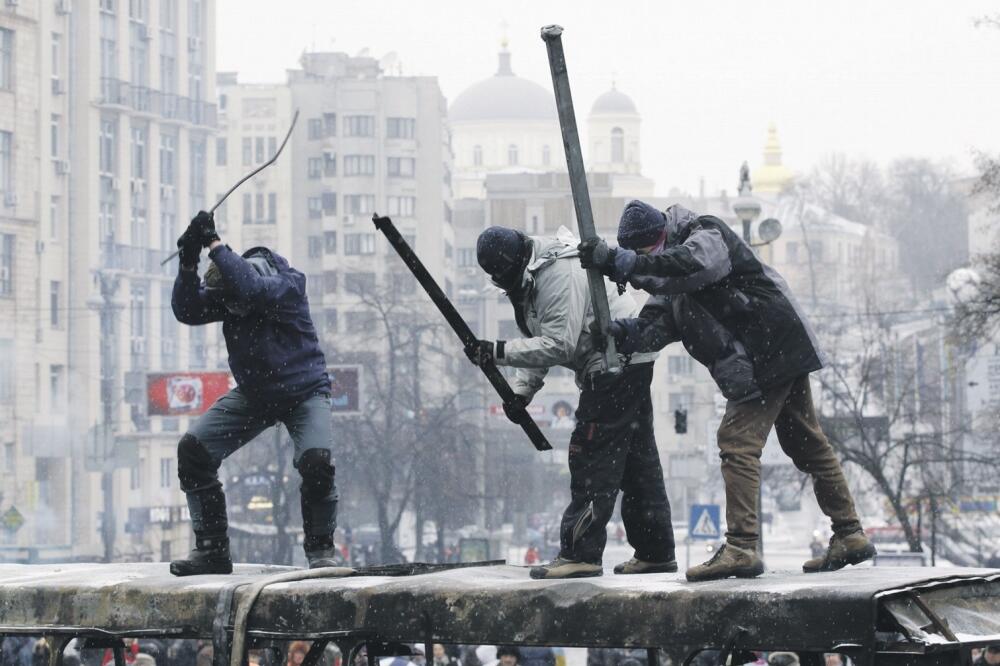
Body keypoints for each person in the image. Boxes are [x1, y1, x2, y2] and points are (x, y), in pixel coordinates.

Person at [579, 201, 875, 581]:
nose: (645, 261)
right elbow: (654, 325)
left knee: (737, 442)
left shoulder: (706, 235)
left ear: (662, 236)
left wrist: (626, 264)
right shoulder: (671, 283)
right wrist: (620, 333)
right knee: (806, 442)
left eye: (646, 253)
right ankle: (849, 533)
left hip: (766, 349)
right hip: (775, 348)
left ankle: (741, 547)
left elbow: (688, 266)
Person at [467, 225, 676, 579]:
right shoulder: (530, 276)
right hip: (628, 361)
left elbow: (559, 343)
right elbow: (539, 338)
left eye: (502, 278)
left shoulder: (556, 274)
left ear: (513, 264)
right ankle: (656, 551)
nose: (502, 286)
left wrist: (496, 352)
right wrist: (522, 393)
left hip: (613, 362)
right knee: (636, 463)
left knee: (591, 456)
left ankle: (581, 553)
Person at [169, 211, 338, 575]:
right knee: (193, 450)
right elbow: (186, 310)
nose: (231, 310)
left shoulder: (285, 286)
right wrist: (187, 261)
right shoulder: (234, 294)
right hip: (257, 394)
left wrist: (213, 242)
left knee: (316, 462)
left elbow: (251, 290)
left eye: (232, 304)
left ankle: (321, 549)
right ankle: (212, 549)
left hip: (304, 391)